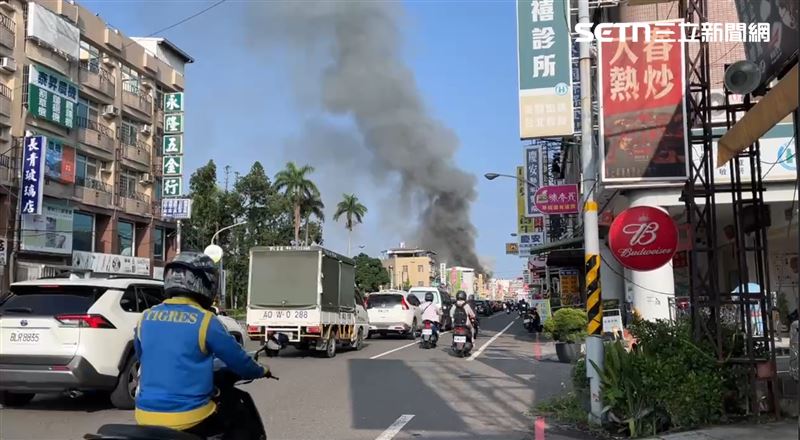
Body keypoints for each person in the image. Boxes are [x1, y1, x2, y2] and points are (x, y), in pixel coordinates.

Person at [134, 252, 272, 437]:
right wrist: (262, 370)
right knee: (238, 415)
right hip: (189, 417)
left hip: (144, 415)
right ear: (205, 283)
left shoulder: (145, 318)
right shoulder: (205, 321)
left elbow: (143, 356)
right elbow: (239, 362)